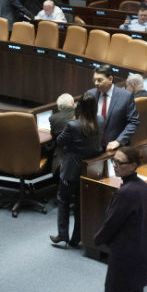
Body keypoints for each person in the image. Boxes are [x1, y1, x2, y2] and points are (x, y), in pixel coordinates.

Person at [93, 146, 147, 292]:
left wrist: (97, 239)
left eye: (120, 163)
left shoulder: (125, 192)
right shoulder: (142, 186)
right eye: (114, 161)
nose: (115, 166)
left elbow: (112, 223)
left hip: (125, 254)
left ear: (133, 165)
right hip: (141, 250)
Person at [50, 93, 101, 249]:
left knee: (63, 200)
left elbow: (59, 141)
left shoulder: (73, 125)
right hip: (89, 170)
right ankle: (76, 238)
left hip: (71, 170)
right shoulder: (100, 120)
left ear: (79, 107)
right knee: (80, 203)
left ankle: (62, 234)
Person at [85, 64, 140, 151]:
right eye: (94, 80)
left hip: (116, 148)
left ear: (110, 79)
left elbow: (133, 122)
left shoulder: (125, 96)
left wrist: (118, 141)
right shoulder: (90, 94)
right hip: (93, 148)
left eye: (99, 80)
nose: (96, 83)